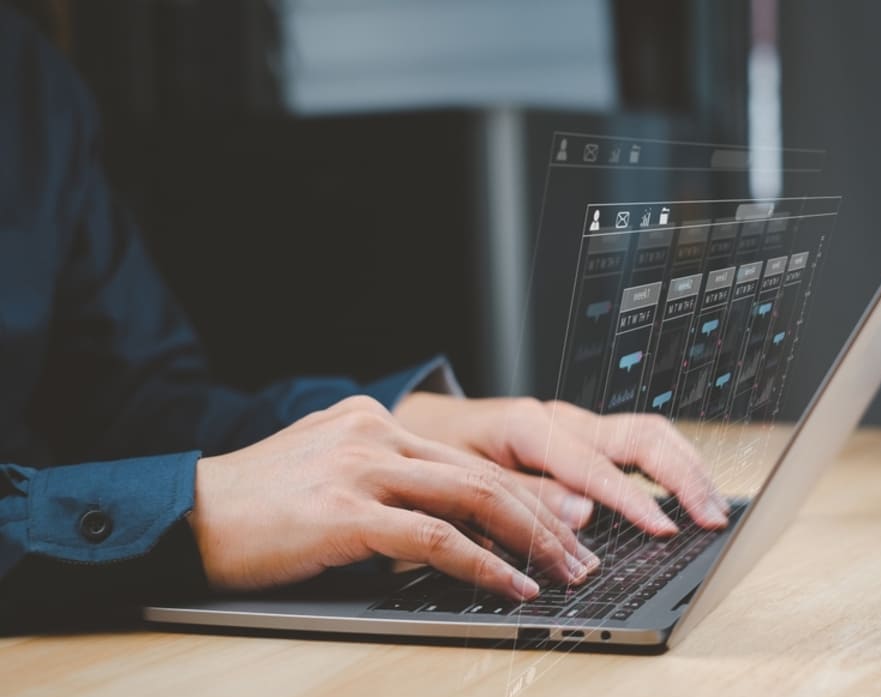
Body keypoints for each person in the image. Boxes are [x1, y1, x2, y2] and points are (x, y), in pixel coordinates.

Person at [0, 6, 728, 627]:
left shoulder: (26, 79)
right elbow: (167, 489)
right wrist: (192, 515)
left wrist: (407, 428)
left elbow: (138, 409)